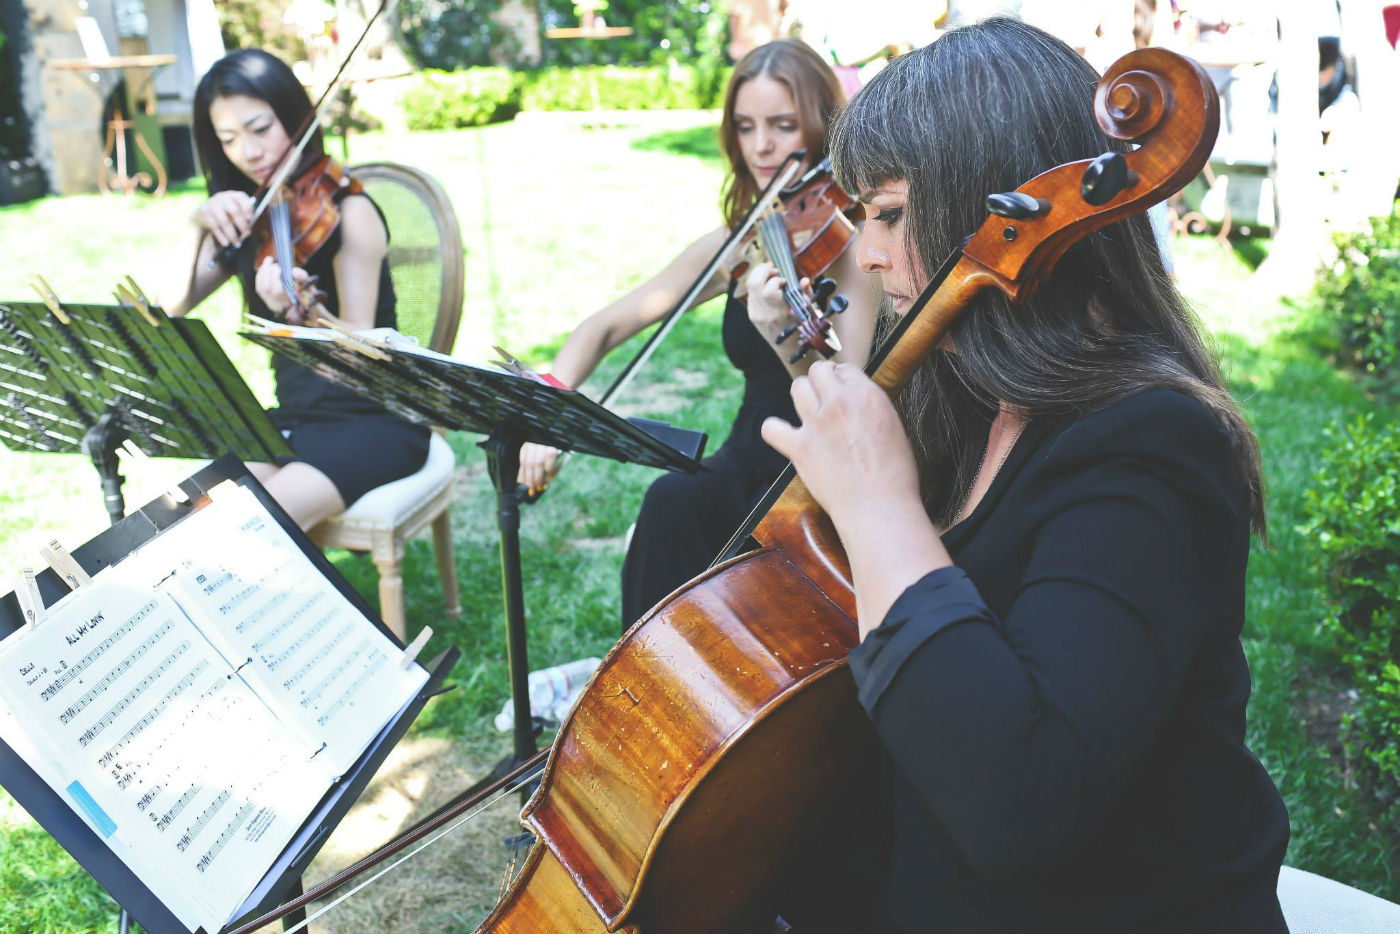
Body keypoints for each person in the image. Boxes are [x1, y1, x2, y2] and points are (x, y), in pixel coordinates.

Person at [761, 18, 1290, 931]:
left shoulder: (1153, 444)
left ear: (987, 209)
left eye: (887, 214)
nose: (869, 253)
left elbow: (1020, 803)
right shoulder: (958, 398)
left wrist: (879, 505)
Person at [516, 38, 879, 629]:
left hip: (820, 477)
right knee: (672, 502)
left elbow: (848, 400)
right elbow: (608, 324)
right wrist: (551, 407)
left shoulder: (856, 245)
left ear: (821, 127)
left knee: (681, 511)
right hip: (748, 456)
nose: (761, 146)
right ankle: (638, 687)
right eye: (745, 126)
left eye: (783, 125)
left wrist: (787, 336)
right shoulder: (743, 240)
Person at [162, 49, 429, 532]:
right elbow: (169, 305)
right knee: (188, 517)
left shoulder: (351, 210)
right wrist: (196, 224)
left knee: (253, 528)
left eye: (260, 129)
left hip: (371, 421)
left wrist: (308, 316)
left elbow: (364, 349)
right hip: (291, 420)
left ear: (293, 117)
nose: (248, 151)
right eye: (228, 138)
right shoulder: (250, 218)